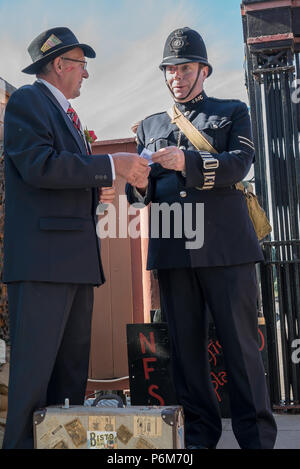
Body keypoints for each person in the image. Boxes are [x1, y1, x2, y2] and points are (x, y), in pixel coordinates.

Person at [126, 27, 277, 449]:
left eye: (186, 67)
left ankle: (258, 440)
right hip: (174, 252)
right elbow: (139, 194)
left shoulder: (232, 112)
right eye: (170, 69)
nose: (177, 75)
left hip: (226, 251)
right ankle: (198, 439)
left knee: (242, 353)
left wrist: (187, 160)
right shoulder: (151, 125)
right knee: (187, 360)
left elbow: (239, 164)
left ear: (204, 70)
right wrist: (135, 179)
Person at [2, 27, 149, 449]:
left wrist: (91, 187)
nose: (86, 74)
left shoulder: (66, 114)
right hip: (44, 266)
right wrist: (109, 165)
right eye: (82, 65)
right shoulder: (30, 101)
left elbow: (58, 174)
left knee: (68, 384)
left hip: (74, 263)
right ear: (59, 64)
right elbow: (39, 166)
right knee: (33, 383)